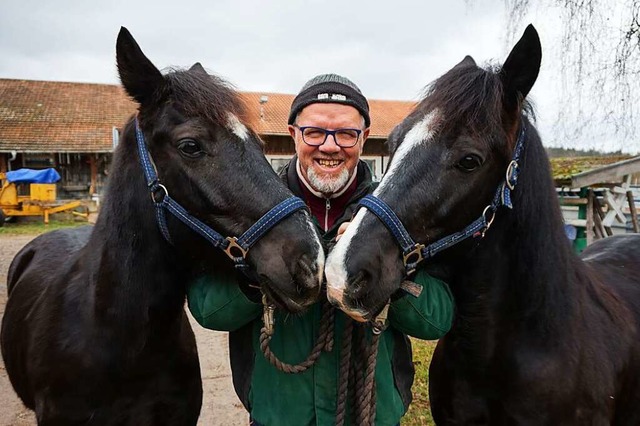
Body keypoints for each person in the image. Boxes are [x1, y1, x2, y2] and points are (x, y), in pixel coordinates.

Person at [187, 74, 454, 426]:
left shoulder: (402, 213)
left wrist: (385, 270)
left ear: (364, 139)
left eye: (346, 133)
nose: (330, 146)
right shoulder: (248, 210)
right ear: (294, 133)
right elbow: (208, 310)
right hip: (278, 415)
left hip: (371, 415)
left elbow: (438, 319)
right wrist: (258, 272)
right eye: (314, 132)